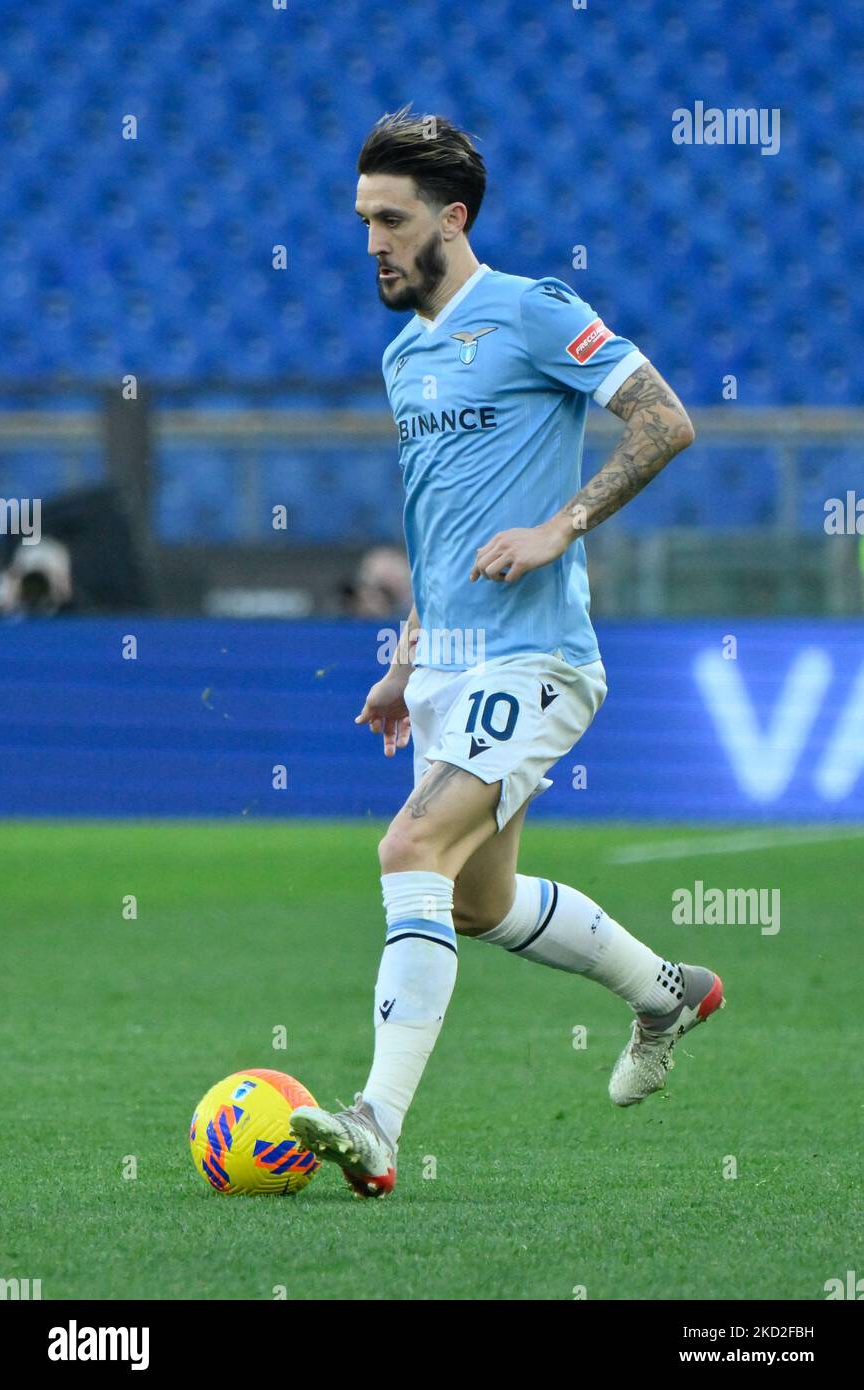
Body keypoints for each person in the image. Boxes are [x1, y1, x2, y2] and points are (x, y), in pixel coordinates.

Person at [290, 107, 723, 1198]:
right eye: (361, 222)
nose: (373, 243)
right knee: (476, 901)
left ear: (453, 215)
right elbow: (439, 531)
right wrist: (402, 660)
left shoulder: (532, 312)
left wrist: (558, 526)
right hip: (446, 668)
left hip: (537, 659)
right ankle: (665, 991)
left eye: (390, 220)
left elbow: (664, 420)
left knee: (406, 852)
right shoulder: (404, 356)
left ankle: (375, 1121)